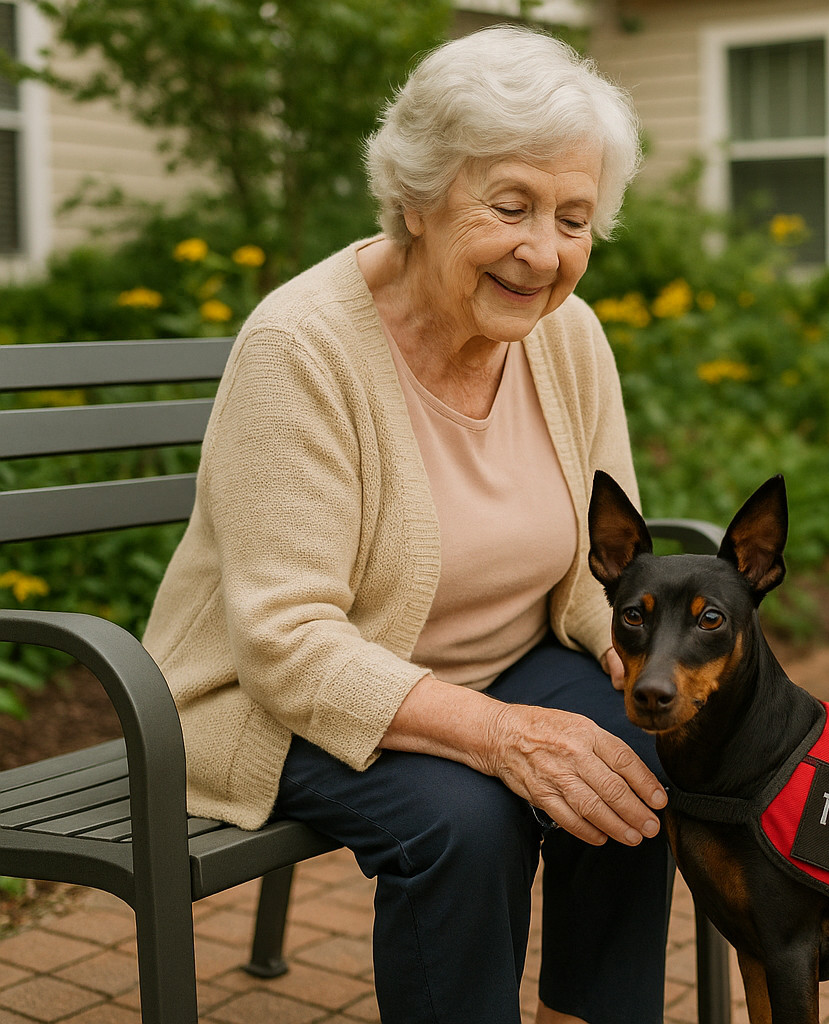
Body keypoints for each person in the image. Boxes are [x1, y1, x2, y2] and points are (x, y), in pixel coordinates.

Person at [142, 26, 668, 1024]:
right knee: (466, 821)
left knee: (634, 757)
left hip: (499, 657)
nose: (543, 251)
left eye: (573, 218)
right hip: (272, 697)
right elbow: (286, 645)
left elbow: (608, 570)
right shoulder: (301, 350)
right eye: (509, 206)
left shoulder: (571, 335)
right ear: (418, 199)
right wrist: (502, 736)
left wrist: (632, 654)